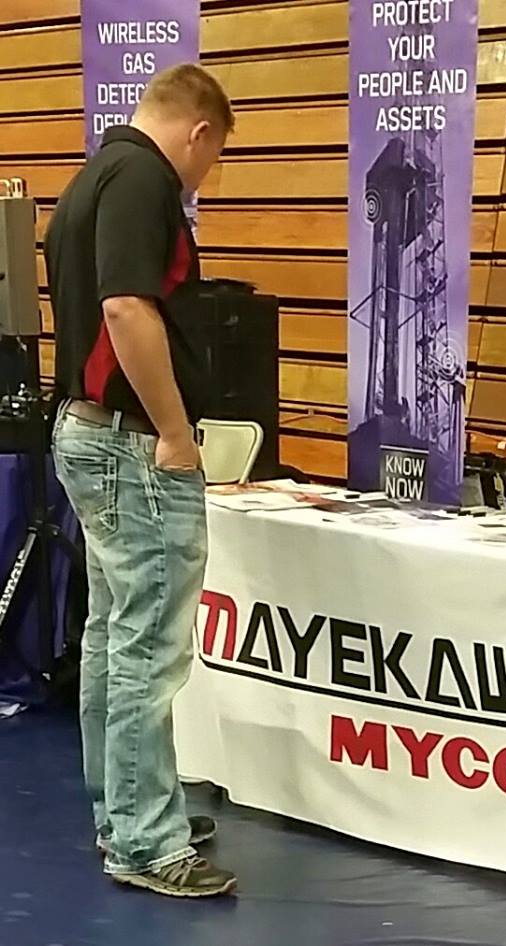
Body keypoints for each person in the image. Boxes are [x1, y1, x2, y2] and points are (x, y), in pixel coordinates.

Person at [45, 64, 237, 898]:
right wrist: (174, 431)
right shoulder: (143, 180)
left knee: (113, 635)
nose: (204, 177)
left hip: (89, 432)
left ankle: (126, 808)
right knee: (147, 645)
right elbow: (126, 308)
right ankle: (145, 839)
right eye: (212, 160)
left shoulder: (91, 177)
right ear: (199, 132)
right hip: (131, 442)